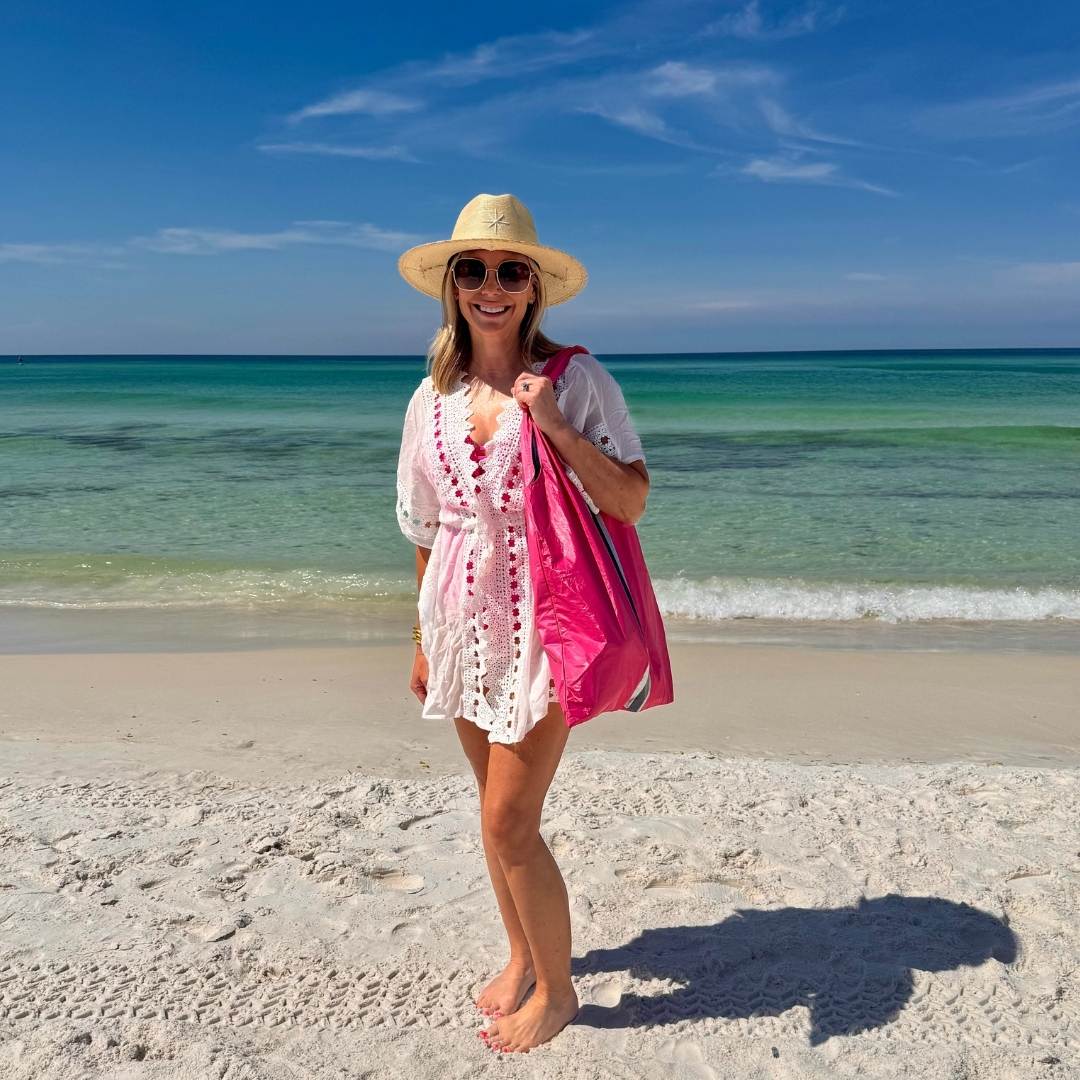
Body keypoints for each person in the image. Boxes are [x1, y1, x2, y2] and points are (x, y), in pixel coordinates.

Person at [395, 193, 650, 1053]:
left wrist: (551, 424)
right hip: (461, 619)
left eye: (511, 271)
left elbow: (631, 500)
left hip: (547, 623)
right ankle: (521, 956)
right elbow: (426, 527)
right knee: (490, 807)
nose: (492, 286)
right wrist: (426, 641)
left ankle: (562, 991)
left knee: (511, 820)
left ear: (534, 287)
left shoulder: (579, 380)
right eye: (475, 271)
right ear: (453, 287)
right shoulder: (430, 396)